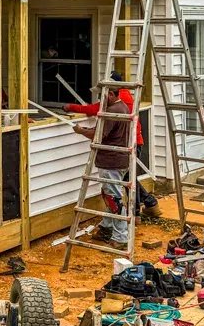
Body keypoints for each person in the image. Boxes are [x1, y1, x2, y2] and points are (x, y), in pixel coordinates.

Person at [65, 71, 162, 219]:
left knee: (129, 181)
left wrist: (71, 107)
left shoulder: (118, 100)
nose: (102, 95)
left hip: (127, 142)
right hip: (132, 140)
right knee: (129, 178)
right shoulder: (124, 96)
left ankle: (134, 215)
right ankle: (149, 204)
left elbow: (92, 109)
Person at [74, 85, 135, 249]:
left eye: (105, 96)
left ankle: (121, 237)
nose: (102, 99)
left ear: (114, 94)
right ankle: (106, 228)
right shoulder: (123, 107)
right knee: (109, 194)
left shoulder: (113, 111)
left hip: (111, 161)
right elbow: (101, 131)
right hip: (119, 160)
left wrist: (81, 131)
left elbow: (99, 135)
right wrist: (88, 130)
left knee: (114, 199)